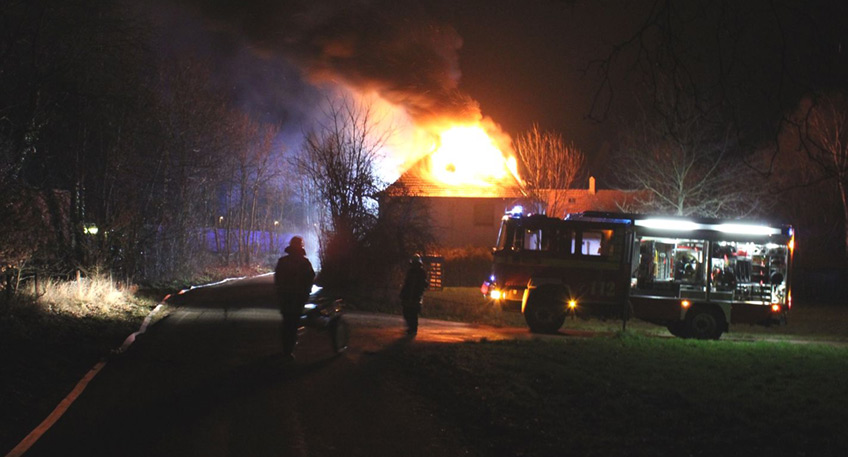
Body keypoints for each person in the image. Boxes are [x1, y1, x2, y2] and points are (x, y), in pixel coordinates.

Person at [274, 236, 315, 361]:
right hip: (298, 297)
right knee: (294, 322)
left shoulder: (283, 261)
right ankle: (289, 349)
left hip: (285, 296)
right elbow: (310, 278)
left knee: (287, 321)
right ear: (301, 247)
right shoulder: (304, 262)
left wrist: (280, 292)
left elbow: (278, 279)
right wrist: (306, 292)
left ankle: (286, 348)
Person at [399, 254, 428, 335]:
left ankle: (413, 328)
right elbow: (406, 283)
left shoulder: (422, 273)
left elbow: (424, 283)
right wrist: (403, 293)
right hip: (408, 295)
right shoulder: (410, 272)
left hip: (416, 295)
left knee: (413, 312)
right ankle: (410, 327)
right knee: (406, 311)